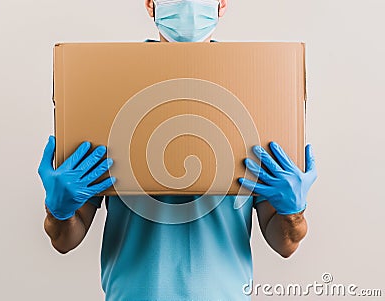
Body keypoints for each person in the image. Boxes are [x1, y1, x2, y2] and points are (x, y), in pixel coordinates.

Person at [38, 0, 318, 300]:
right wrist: (59, 211)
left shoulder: (257, 87)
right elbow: (64, 240)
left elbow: (285, 244)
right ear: (150, 4)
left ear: (222, 4)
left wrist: (293, 212)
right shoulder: (107, 82)